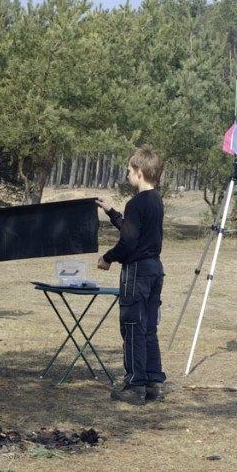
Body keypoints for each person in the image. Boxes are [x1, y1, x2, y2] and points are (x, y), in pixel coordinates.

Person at [96, 146, 166, 406]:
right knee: (148, 327)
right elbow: (133, 230)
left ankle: (134, 385)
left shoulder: (136, 203)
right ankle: (153, 382)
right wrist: (112, 212)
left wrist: (108, 258)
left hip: (137, 272)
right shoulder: (156, 200)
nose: (127, 174)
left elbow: (128, 242)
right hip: (154, 269)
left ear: (139, 171)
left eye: (129, 170)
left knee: (133, 327)